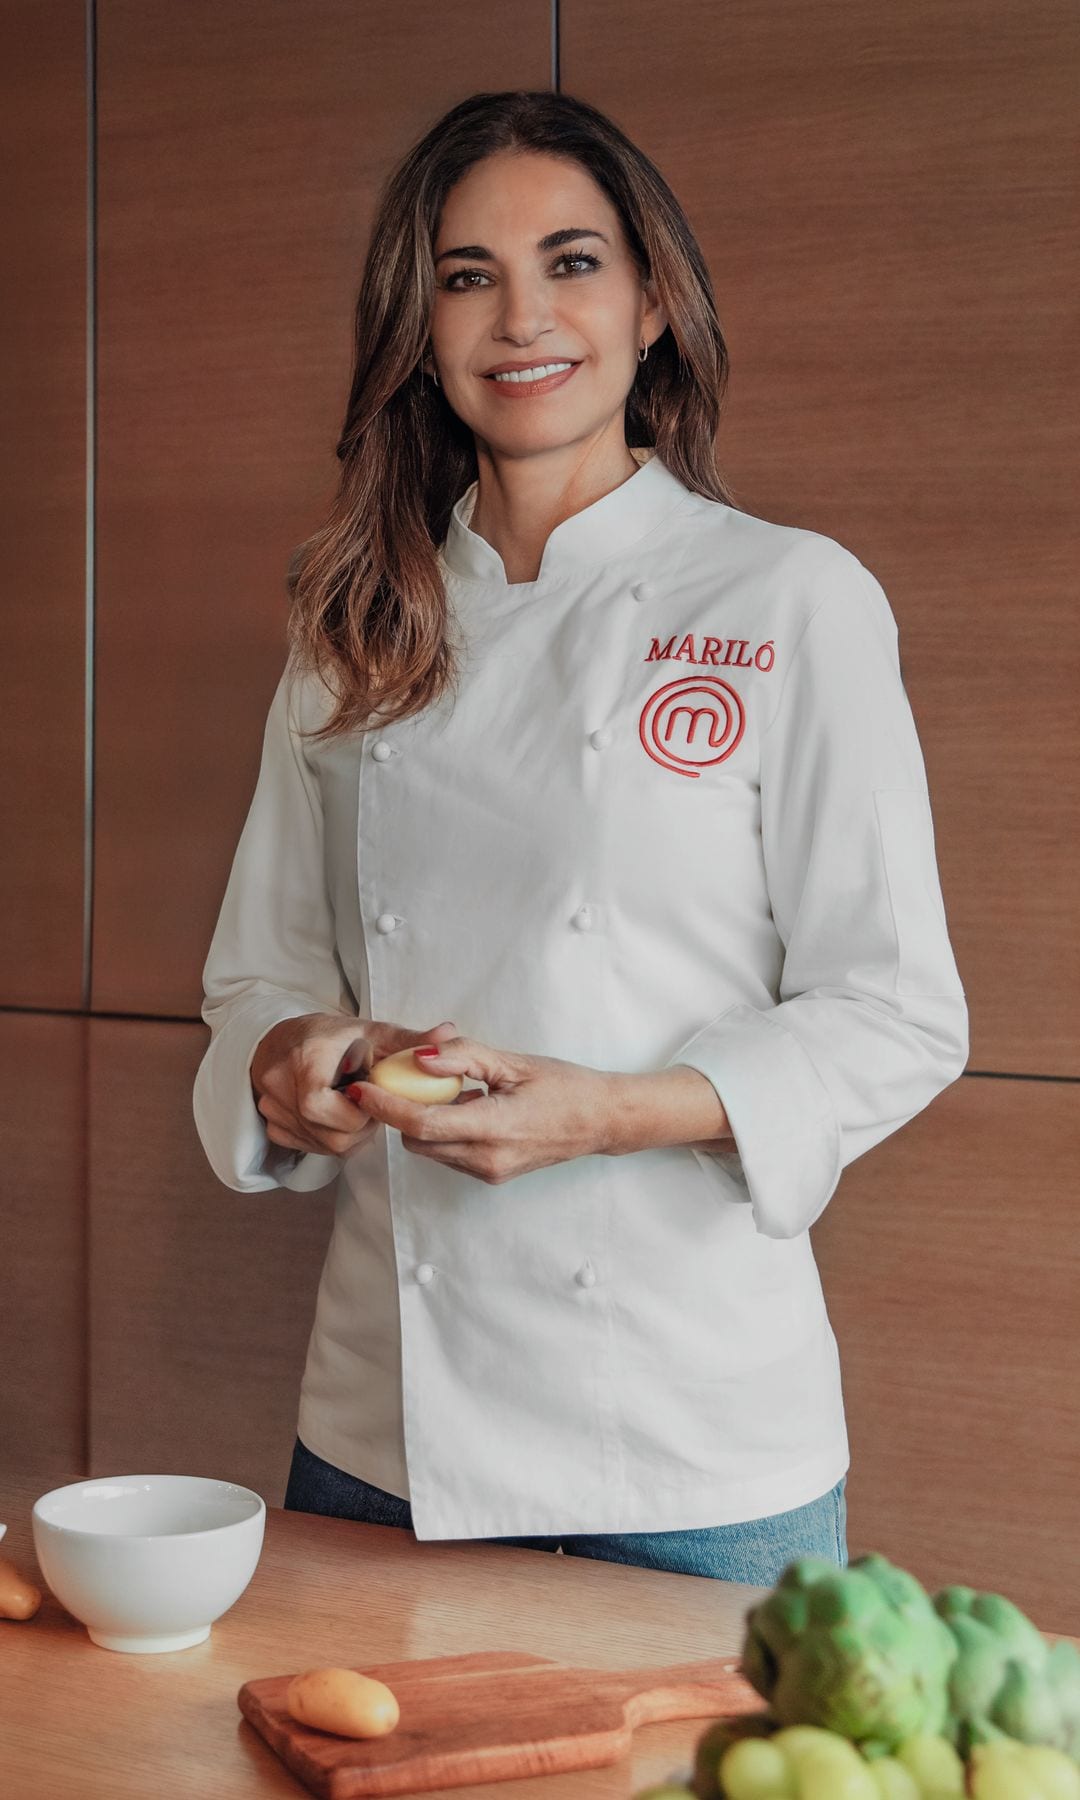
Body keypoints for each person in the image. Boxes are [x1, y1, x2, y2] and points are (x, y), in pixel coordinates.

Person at [192, 90, 968, 1584]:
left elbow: (897, 1010)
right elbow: (257, 983)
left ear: (655, 299)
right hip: (385, 1433)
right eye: (466, 276)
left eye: (572, 262)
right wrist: (301, 1067)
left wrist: (606, 1113)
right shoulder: (351, 623)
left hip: (694, 1444)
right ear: (417, 329)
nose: (519, 318)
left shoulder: (790, 601)